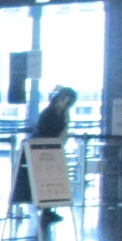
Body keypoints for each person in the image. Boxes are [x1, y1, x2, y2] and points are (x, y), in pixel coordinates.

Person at [32, 86, 77, 222]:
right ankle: (45, 208)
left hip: (53, 149)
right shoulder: (48, 113)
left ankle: (48, 209)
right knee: (44, 179)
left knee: (51, 178)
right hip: (41, 150)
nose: (68, 106)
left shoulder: (62, 114)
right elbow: (42, 131)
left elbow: (63, 130)